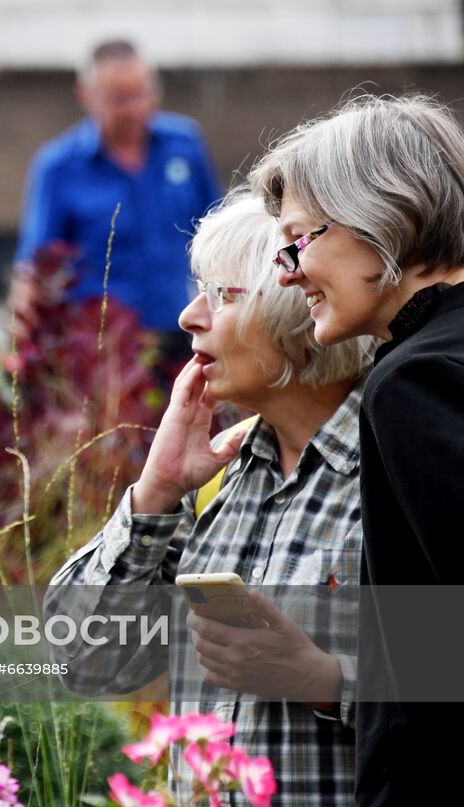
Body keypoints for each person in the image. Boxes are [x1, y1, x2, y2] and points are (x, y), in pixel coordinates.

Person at [45, 192, 373, 805]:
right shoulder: (224, 478)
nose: (189, 317)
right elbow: (87, 662)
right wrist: (158, 491)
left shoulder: (397, 465)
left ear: (299, 307)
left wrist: (325, 682)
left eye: (222, 296)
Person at [248, 93, 464, 806]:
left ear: (382, 213)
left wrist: (326, 672)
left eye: (298, 241)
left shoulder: (414, 380)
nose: (285, 273)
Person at [13, 39, 222, 379]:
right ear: (86, 95)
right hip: (105, 353)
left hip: (184, 335)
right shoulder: (58, 167)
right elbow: (33, 270)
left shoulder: (184, 144)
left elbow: (220, 232)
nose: (134, 109)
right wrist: (25, 355)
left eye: (142, 94)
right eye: (119, 99)